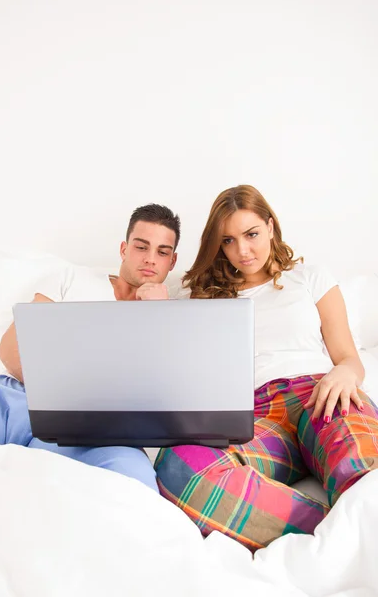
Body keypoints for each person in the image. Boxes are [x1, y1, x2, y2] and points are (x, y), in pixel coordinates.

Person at [154, 185, 378, 549]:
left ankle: (360, 527)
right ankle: (333, 534)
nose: (242, 250)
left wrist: (345, 372)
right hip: (251, 415)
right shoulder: (196, 294)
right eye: (228, 241)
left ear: (271, 226)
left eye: (252, 234)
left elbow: (348, 357)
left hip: (319, 394)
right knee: (180, 468)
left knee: (363, 462)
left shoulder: (310, 277)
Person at [0, 203, 180, 492]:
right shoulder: (71, 278)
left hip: (100, 431)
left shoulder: (174, 316)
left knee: (136, 484)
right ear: (124, 249)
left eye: (162, 252)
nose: (150, 259)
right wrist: (60, 397)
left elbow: (165, 397)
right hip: (15, 400)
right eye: (141, 247)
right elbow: (11, 349)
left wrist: (159, 315)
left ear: (171, 262)